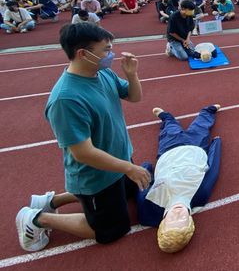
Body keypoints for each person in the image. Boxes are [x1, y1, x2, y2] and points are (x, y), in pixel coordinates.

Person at [15, 23, 149, 252]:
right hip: (95, 175)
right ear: (82, 54)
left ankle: (52, 201)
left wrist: (132, 74)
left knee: (132, 192)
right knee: (112, 230)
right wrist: (128, 168)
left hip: (118, 160)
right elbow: (83, 153)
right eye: (106, 50)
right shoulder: (66, 100)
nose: (111, 54)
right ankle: (36, 218)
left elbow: (134, 97)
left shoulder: (102, 72)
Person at [136, 104, 222, 253]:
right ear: (190, 222)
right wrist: (216, 144)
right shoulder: (200, 195)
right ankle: (208, 111)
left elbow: (142, 184)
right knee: (201, 126)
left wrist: (146, 167)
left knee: (170, 129)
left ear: (163, 222)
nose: (177, 214)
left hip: (169, 150)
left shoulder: (149, 205)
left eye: (172, 220)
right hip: (196, 148)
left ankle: (166, 117)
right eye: (182, 220)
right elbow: (212, 170)